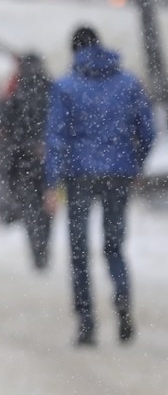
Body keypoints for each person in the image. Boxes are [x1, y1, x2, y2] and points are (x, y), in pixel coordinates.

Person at [45, 26, 156, 346]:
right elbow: (147, 131)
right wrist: (136, 163)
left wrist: (53, 182)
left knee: (79, 251)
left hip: (79, 174)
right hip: (119, 172)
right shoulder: (129, 83)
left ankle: (87, 322)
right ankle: (122, 300)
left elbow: (56, 137)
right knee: (114, 245)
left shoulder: (66, 86)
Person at [0, 53, 54, 271]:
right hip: (49, 155)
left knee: (30, 204)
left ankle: (36, 248)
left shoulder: (16, 89)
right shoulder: (51, 87)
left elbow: (5, 123)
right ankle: (44, 242)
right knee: (47, 204)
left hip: (23, 156)